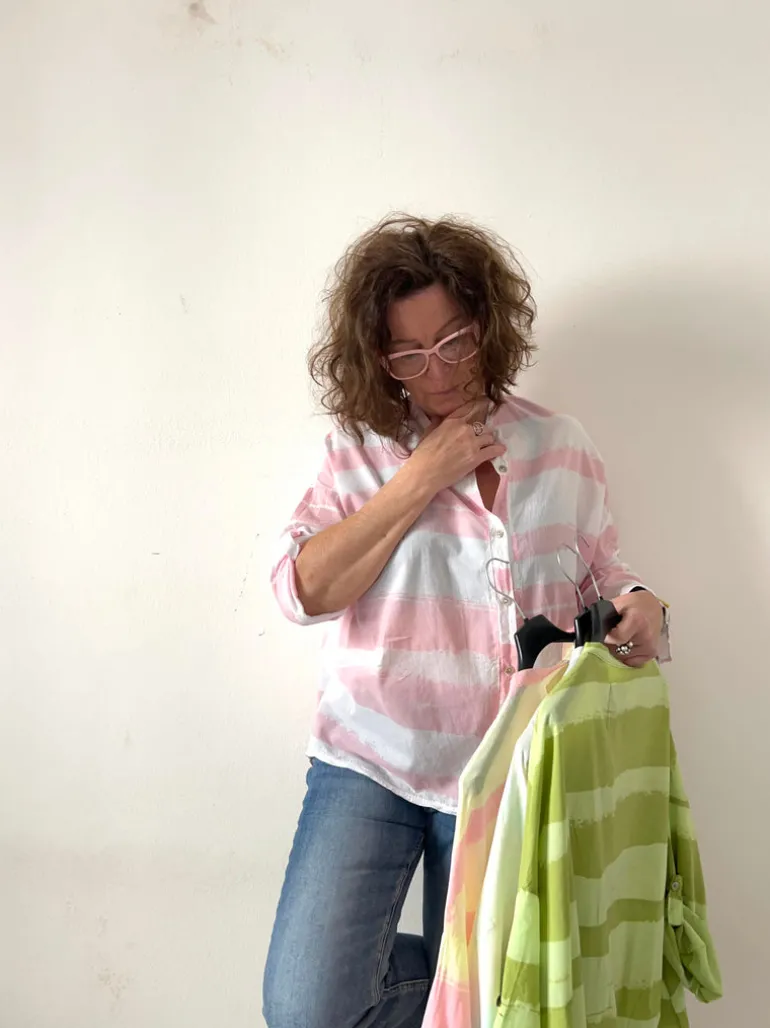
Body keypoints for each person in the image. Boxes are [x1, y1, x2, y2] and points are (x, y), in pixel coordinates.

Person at [262, 214, 667, 1028]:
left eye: (453, 341)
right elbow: (301, 592)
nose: (437, 371)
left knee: (490, 1007)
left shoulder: (559, 444)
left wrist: (645, 606)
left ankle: (478, 987)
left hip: (511, 771)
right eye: (408, 355)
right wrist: (421, 476)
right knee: (309, 1008)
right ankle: (462, 982)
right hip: (370, 757)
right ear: (377, 359)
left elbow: (601, 572)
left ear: (488, 323)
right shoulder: (358, 449)